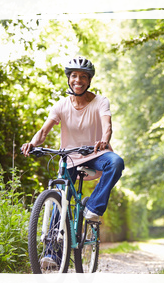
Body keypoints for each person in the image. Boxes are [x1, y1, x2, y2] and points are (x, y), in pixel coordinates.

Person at [21, 56, 124, 267]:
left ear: (89, 81)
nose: (78, 80)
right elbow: (43, 131)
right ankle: (51, 254)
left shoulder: (100, 102)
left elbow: (108, 125)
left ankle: (93, 208)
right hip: (69, 158)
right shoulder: (61, 105)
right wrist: (32, 143)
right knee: (60, 199)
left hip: (96, 154)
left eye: (83, 77)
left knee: (116, 162)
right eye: (74, 76)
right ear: (69, 79)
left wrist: (105, 140)